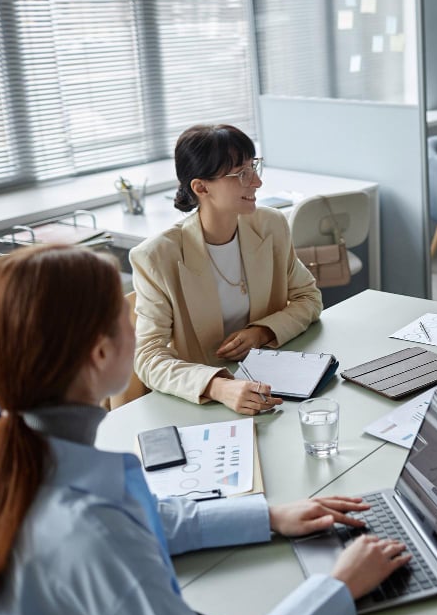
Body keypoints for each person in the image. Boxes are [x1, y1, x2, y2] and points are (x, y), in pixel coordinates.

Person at [0, 245, 410, 615]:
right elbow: (110, 533)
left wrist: (268, 516)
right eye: (125, 314)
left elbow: (142, 516)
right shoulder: (92, 533)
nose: (136, 322)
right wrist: (338, 587)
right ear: (101, 352)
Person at [130, 124, 322, 415]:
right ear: (201, 187)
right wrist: (218, 386)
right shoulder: (156, 257)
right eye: (241, 173)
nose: (256, 182)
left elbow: (309, 298)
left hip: (273, 385)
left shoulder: (271, 225)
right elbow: (147, 357)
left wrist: (261, 332)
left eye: (253, 167)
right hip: (203, 401)